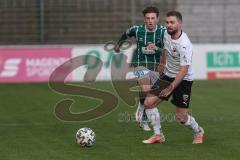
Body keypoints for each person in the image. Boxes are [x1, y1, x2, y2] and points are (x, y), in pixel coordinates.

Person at [142, 11, 204, 144]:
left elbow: (183, 70)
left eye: (172, 22)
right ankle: (158, 135)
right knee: (148, 103)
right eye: (167, 22)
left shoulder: (185, 44)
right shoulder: (166, 33)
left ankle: (198, 131)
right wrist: (162, 63)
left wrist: (170, 88)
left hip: (183, 79)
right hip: (168, 75)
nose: (168, 25)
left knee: (181, 117)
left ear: (180, 24)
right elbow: (165, 49)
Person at [115, 6, 166, 131]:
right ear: (144, 19)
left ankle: (141, 107)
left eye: (153, 18)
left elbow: (167, 51)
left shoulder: (164, 31)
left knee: (155, 94)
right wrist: (119, 45)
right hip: (140, 64)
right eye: (148, 18)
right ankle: (143, 119)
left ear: (157, 19)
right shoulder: (137, 30)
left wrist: (156, 48)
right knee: (145, 88)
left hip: (155, 66)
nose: (150, 21)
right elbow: (126, 34)